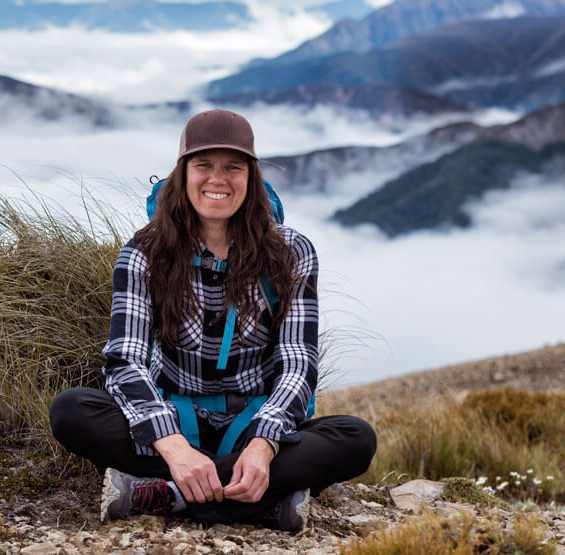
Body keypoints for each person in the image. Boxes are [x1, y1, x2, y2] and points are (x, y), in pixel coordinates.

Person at [49, 109, 376, 532]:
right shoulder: (144, 253)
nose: (217, 179)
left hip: (253, 425)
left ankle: (167, 495)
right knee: (71, 410)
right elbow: (124, 361)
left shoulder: (292, 252)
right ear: (183, 173)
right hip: (172, 419)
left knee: (355, 439)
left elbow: (298, 362)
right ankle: (260, 500)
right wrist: (174, 447)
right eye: (203, 165)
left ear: (251, 177)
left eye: (232, 167)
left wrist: (263, 445)